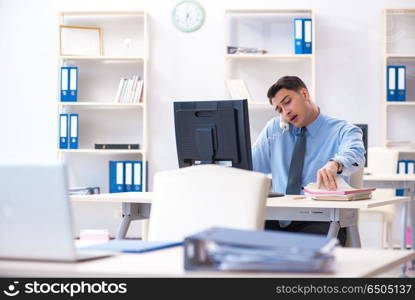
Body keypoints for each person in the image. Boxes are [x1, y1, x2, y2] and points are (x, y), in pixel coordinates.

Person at [252, 76, 365, 246]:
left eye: (287, 102)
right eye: (279, 109)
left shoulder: (343, 129)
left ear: (304, 94)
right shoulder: (275, 129)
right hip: (276, 219)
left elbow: (355, 153)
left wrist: (336, 163)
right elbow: (249, 167)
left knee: (296, 253)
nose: (286, 112)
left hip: (322, 221)